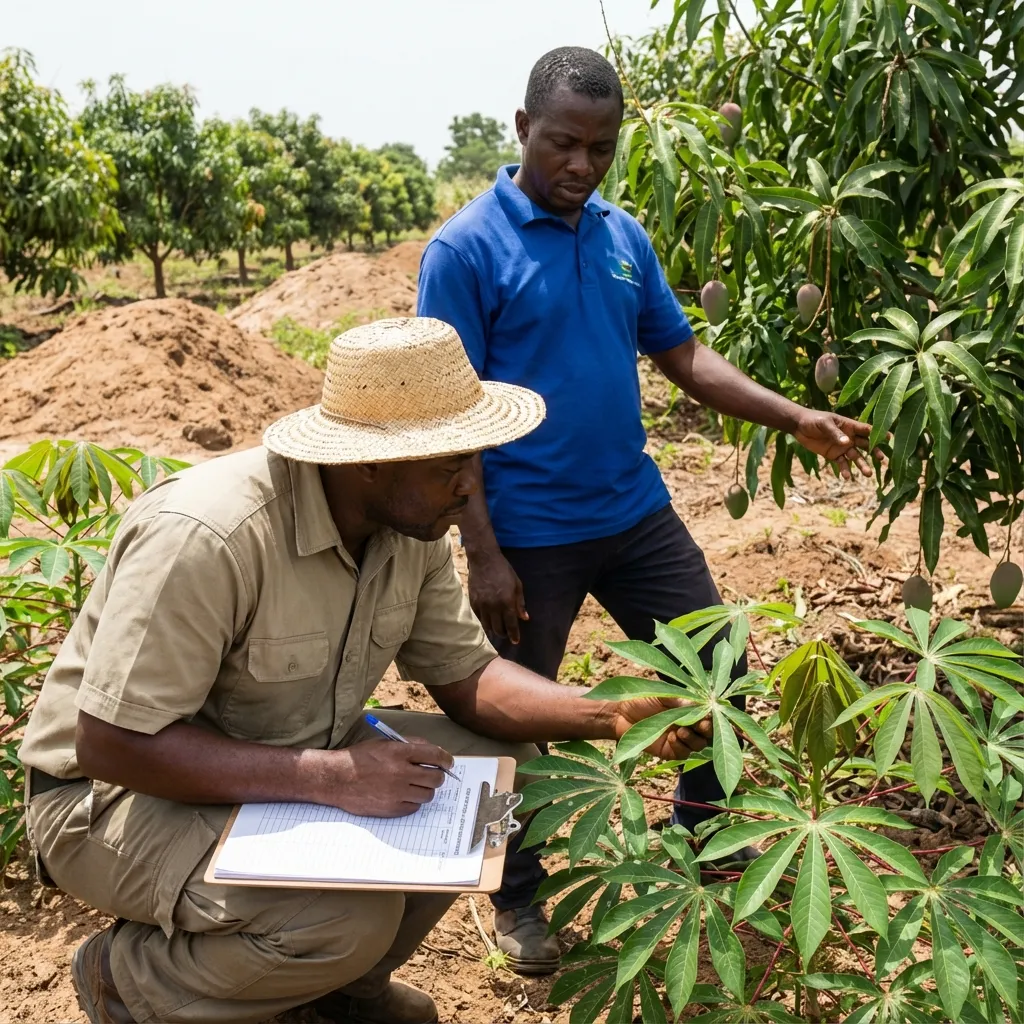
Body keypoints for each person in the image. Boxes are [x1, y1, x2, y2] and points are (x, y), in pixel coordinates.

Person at [19, 317, 714, 1024]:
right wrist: (331, 778)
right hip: (110, 801)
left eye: (473, 461)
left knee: (507, 770)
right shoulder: (210, 536)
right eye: (450, 466)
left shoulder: (409, 525)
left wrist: (610, 712)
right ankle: (127, 981)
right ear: (370, 463)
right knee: (345, 920)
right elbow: (112, 745)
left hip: (281, 756)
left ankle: (337, 994)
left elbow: (468, 677)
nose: (470, 488)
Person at [416, 45, 877, 974]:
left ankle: (702, 843)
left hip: (634, 512)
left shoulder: (622, 236)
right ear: (522, 129)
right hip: (528, 532)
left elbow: (683, 355)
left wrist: (795, 417)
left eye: (601, 147)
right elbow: (447, 412)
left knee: (719, 673)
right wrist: (483, 552)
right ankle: (515, 895)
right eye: (562, 143)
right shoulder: (464, 250)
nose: (580, 165)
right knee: (514, 717)